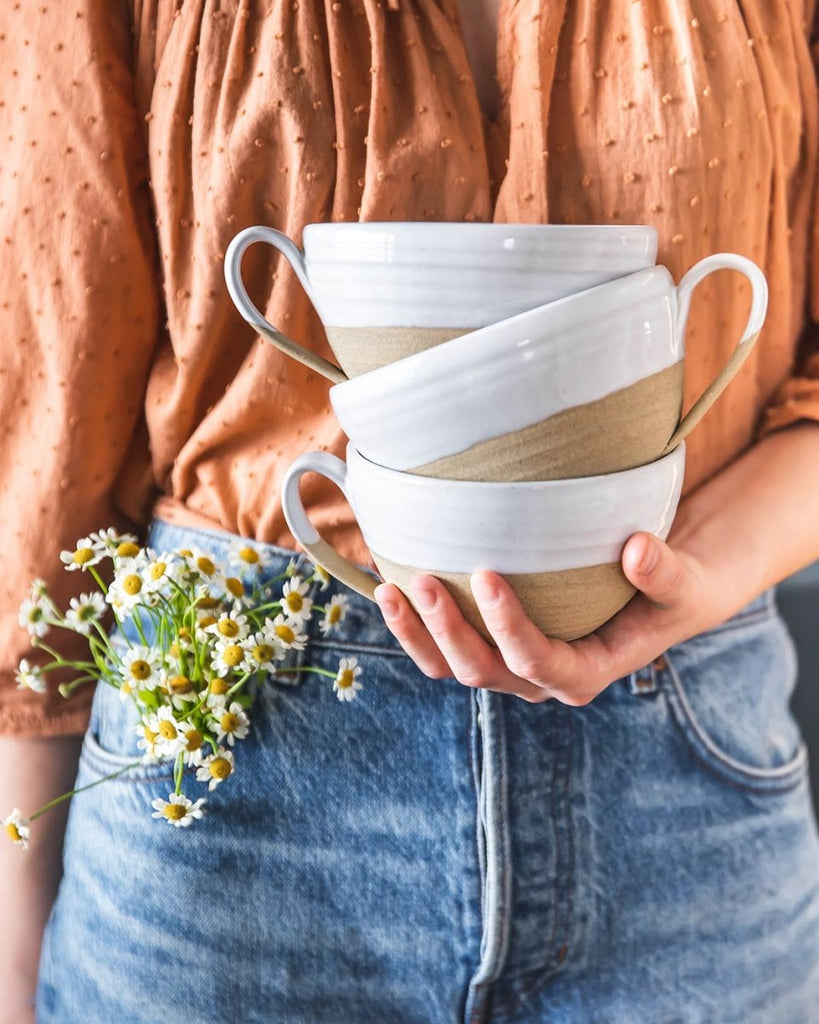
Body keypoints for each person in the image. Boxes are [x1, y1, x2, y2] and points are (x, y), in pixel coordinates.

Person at [2, 0, 819, 1021]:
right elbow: (49, 402)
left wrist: (702, 568)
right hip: (226, 765)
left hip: (685, 771)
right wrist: (15, 913)